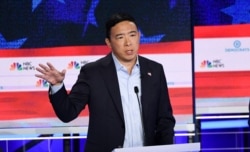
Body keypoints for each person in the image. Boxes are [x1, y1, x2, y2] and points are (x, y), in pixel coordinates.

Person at [35, 12, 175, 152]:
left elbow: (165, 119)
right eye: (120, 37)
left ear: (139, 36)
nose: (128, 43)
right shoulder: (92, 73)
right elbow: (68, 113)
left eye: (132, 35)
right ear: (108, 42)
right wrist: (57, 86)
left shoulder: (155, 70)